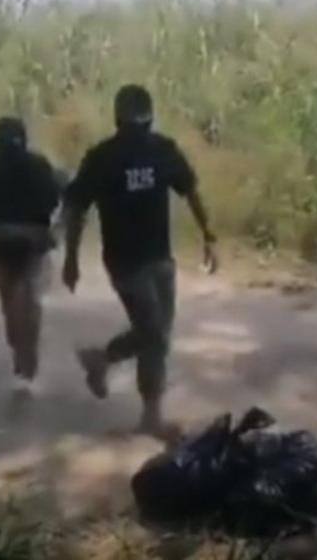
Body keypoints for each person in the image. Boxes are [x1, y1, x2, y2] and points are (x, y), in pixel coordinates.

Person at [62, 84, 218, 438]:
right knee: (154, 332)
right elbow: (76, 207)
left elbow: (190, 188)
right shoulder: (102, 158)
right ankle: (110, 368)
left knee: (157, 337)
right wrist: (71, 259)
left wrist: (209, 235)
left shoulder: (162, 151)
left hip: (160, 257)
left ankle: (136, 400)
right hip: (124, 261)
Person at [0, 117, 63, 394]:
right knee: (24, 306)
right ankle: (26, 362)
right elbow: (62, 197)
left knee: (18, 306)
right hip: (18, 247)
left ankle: (25, 362)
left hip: (13, 248)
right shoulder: (33, 166)